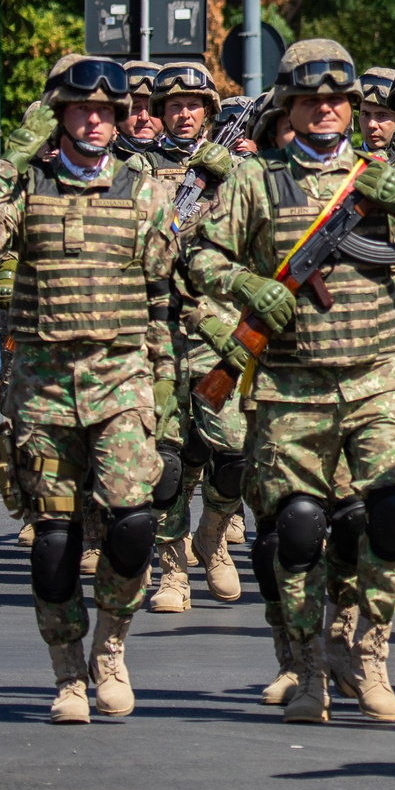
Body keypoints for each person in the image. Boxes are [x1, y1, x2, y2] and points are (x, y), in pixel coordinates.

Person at [186, 38, 395, 725]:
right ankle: (308, 667)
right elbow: (197, 251)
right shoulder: (256, 180)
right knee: (300, 529)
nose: (327, 109)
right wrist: (244, 281)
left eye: (339, 99)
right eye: (311, 99)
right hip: (290, 385)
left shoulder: (382, 176)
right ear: (290, 107)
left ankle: (367, 650)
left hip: (376, 379)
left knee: (394, 513)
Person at [0, 54, 180, 723]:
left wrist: (165, 388)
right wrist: (10, 162)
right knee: (54, 538)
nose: (95, 121)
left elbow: (165, 285)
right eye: (81, 110)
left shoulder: (144, 188)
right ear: (59, 115)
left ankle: (111, 645)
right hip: (44, 388)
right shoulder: (27, 184)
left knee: (135, 522)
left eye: (106, 112)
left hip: (121, 379)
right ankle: (67, 672)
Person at [134, 62, 250, 615]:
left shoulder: (238, 168)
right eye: (173, 105)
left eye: (193, 104)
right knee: (166, 461)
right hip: (154, 329)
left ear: (208, 110)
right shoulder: (133, 168)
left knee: (234, 451)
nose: (183, 113)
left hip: (217, 329)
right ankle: (173, 567)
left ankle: (213, 533)